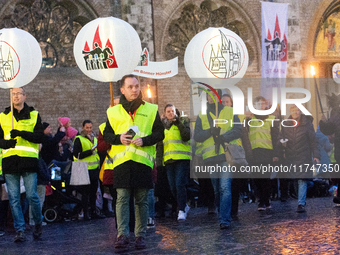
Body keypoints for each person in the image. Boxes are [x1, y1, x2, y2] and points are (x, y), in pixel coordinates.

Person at [103, 74, 164, 251]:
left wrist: (145, 140)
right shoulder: (113, 111)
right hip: (122, 163)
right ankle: (122, 235)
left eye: (137, 86)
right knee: (122, 199)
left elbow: (160, 133)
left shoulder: (151, 109)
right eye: (130, 87)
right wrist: (118, 138)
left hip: (143, 162)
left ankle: (140, 236)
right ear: (122, 90)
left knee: (142, 200)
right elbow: (106, 135)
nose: (134, 89)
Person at [0, 87, 45, 242]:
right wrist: (6, 143)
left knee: (32, 195)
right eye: (13, 94)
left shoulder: (34, 115)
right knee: (13, 198)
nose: (15, 96)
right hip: (10, 161)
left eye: (18, 93)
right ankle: (20, 230)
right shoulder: (3, 116)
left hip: (28, 161)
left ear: (25, 96)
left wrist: (21, 134)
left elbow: (40, 137)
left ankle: (38, 222)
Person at [194, 90, 242, 229]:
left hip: (226, 156)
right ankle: (223, 213)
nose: (211, 98)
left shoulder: (229, 111)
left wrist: (223, 137)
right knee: (217, 190)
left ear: (219, 97)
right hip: (210, 158)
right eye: (209, 95)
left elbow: (238, 129)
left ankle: (224, 219)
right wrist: (210, 132)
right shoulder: (202, 115)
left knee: (225, 187)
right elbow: (197, 135)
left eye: (214, 95)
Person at [278, 105, 320, 213]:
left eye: (297, 110)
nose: (295, 112)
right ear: (290, 112)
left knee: (302, 179)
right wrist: (282, 143)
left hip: (303, 156)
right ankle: (301, 200)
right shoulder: (285, 125)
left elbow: (313, 141)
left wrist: (316, 155)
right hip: (290, 156)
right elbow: (280, 138)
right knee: (295, 179)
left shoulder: (307, 124)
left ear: (300, 111)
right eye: (293, 110)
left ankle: (301, 203)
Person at [242, 96, 279, 211]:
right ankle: (261, 200)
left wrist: (275, 154)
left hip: (267, 152)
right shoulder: (248, 120)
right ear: (255, 106)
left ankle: (265, 201)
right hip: (253, 153)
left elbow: (275, 137)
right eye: (259, 103)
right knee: (256, 179)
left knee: (266, 178)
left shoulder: (272, 118)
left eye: (263, 103)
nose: (261, 105)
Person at [161, 104, 191, 221]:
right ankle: (184, 205)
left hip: (182, 158)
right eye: (168, 111)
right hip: (168, 160)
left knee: (179, 184)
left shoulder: (183, 122)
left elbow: (186, 136)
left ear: (176, 112)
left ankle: (182, 210)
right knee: (173, 187)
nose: (170, 113)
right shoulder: (163, 127)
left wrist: (178, 123)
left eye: (172, 111)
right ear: (165, 114)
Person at [73, 120, 105, 220]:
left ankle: (93, 211)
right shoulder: (79, 139)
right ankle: (86, 213)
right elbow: (76, 154)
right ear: (83, 127)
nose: (89, 130)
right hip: (84, 169)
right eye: (87, 128)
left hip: (95, 169)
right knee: (85, 193)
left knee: (93, 192)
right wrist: (90, 152)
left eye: (90, 127)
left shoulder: (94, 138)